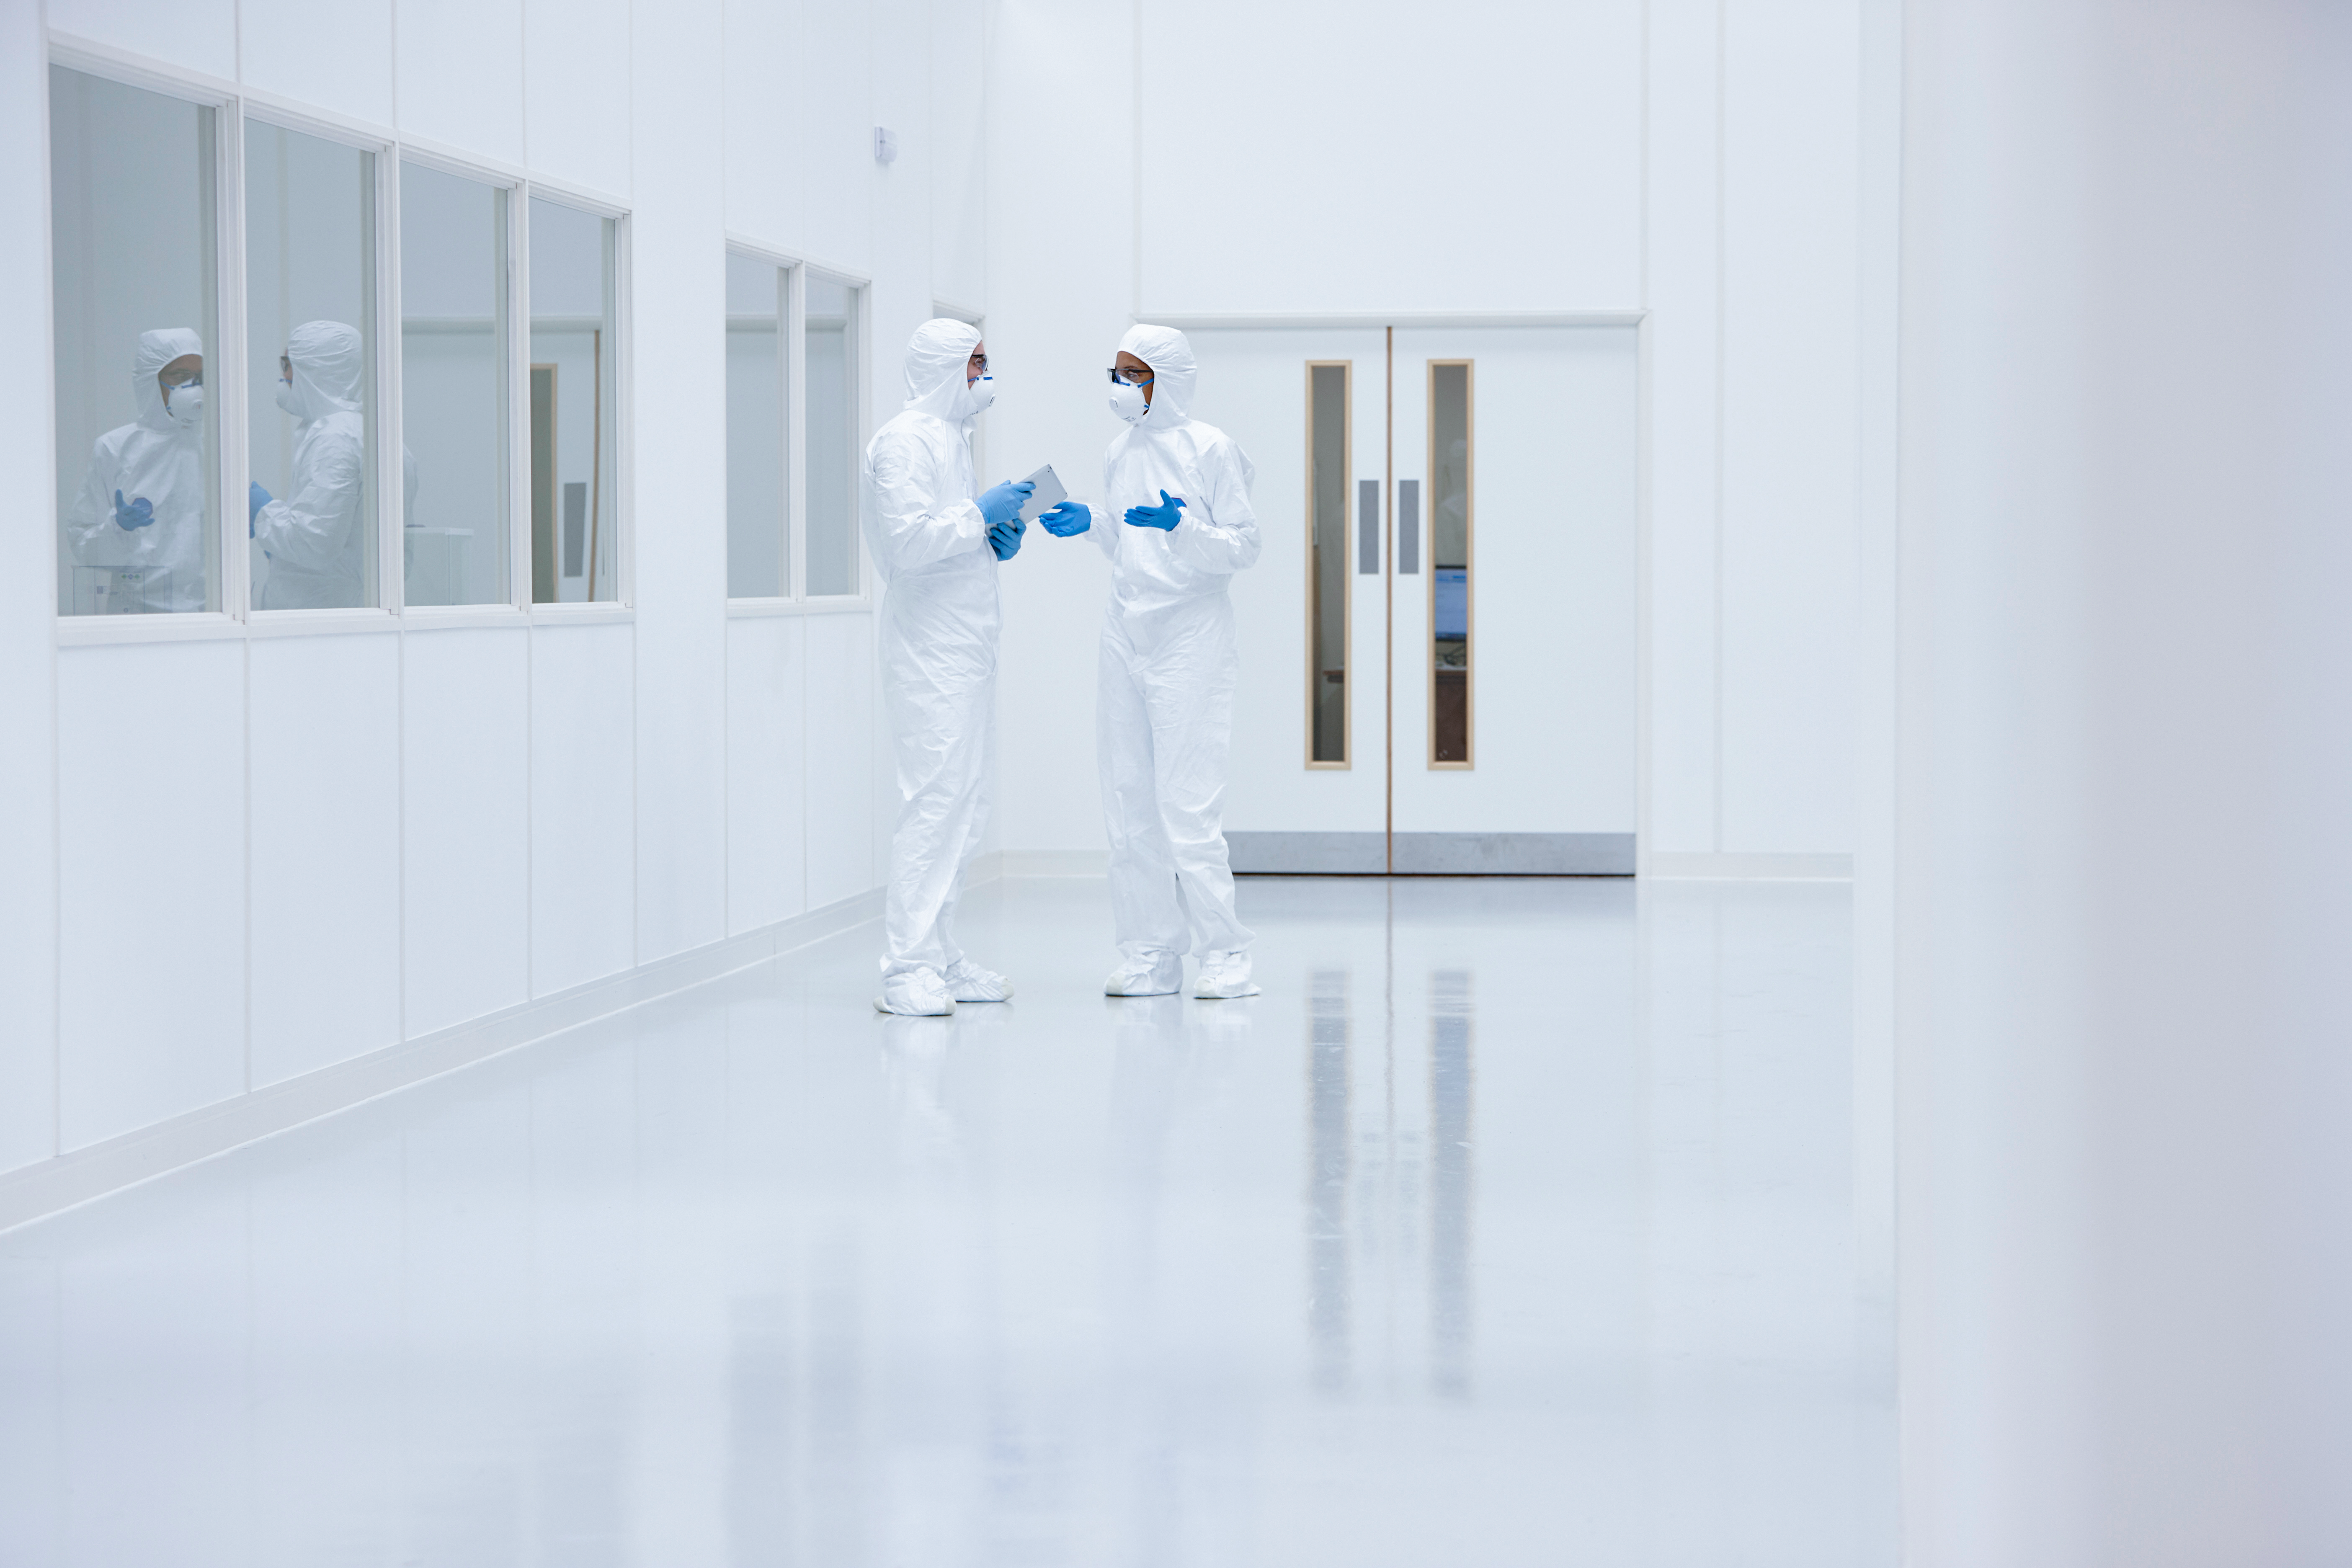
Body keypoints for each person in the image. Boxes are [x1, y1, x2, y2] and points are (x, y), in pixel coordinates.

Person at [1035, 324, 1263, 999]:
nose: (1120, 387)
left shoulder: (1211, 449)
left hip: (1191, 634)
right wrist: (1094, 525)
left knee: (1186, 805)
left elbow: (1245, 546)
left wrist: (1184, 528)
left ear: (1167, 379)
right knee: (1129, 800)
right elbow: (1130, 541)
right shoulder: (1119, 451)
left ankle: (1226, 957)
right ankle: (1150, 954)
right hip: (1125, 629)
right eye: (1116, 372)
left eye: (1132, 374)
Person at [861, 318, 1033, 1016]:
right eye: (976, 362)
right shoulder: (904, 442)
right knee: (933, 802)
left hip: (965, 646)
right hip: (929, 650)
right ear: (942, 368)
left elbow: (947, 535)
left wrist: (993, 538)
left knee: (966, 805)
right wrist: (974, 515)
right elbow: (905, 545)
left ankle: (940, 951)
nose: (984, 375)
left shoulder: (949, 440)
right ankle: (905, 966)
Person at [250, 320, 414, 609]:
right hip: (358, 607)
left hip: (319, 613)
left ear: (314, 371)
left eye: (287, 365)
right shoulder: (380, 436)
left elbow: (315, 542)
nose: (284, 375)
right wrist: (281, 550)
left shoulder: (333, 438)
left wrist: (263, 512)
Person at [64, 328, 210, 613]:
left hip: (211, 613)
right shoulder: (116, 449)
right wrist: (117, 529)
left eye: (199, 378)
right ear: (149, 381)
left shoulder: (216, 447)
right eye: (180, 377)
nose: (193, 388)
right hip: (137, 615)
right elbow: (83, 545)